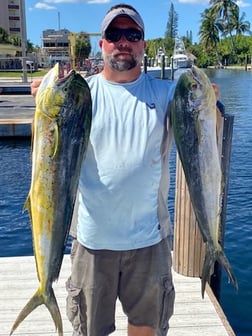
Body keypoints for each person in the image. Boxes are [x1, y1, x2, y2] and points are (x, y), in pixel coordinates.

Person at [31, 4, 219, 336]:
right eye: (114, 34)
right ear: (102, 44)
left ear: (144, 43)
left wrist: (207, 103)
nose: (123, 41)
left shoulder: (166, 94)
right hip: (91, 243)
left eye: (132, 34)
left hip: (149, 243)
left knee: (147, 330)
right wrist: (42, 105)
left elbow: (200, 138)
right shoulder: (79, 95)